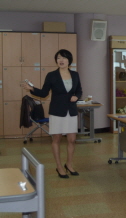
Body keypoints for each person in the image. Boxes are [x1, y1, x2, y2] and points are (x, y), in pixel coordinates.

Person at [22, 49, 82, 179]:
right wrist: (32, 89)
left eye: (64, 58)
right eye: (59, 58)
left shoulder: (75, 75)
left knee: (72, 139)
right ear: (56, 60)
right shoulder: (51, 75)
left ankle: (69, 164)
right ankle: (59, 167)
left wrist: (76, 97)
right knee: (57, 139)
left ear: (69, 61)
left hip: (71, 111)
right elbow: (44, 93)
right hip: (57, 111)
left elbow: (79, 91)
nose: (61, 60)